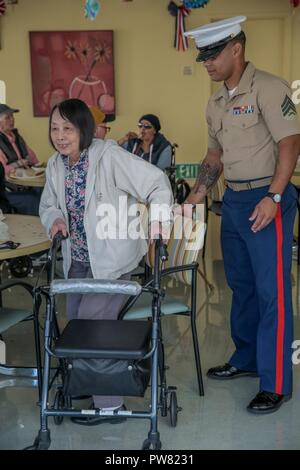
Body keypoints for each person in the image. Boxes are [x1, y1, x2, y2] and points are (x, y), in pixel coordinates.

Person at [181, 16, 300, 414]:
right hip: (232, 201)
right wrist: (196, 193)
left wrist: (276, 197)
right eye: (203, 56)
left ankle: (277, 382)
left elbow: (290, 143)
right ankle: (247, 358)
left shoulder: (268, 87)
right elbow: (214, 156)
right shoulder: (214, 102)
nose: (207, 63)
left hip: (268, 199)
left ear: (237, 48)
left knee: (274, 295)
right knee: (241, 286)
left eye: (213, 53)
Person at [39, 98, 173, 425]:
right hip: (79, 260)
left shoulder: (108, 157)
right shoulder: (55, 164)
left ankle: (112, 406)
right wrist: (55, 219)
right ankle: (89, 383)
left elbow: (157, 183)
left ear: (84, 129)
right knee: (75, 322)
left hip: (112, 262)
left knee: (92, 327)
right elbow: (49, 205)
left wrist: (158, 223)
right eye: (55, 128)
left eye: (67, 128)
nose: (60, 135)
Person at [0, 103, 41, 215]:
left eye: (12, 116)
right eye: (7, 117)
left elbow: (33, 158)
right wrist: (19, 163)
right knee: (33, 200)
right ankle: (34, 231)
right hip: (6, 191)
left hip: (23, 185)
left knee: (45, 192)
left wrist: (34, 164)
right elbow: (3, 171)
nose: (12, 120)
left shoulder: (16, 137)